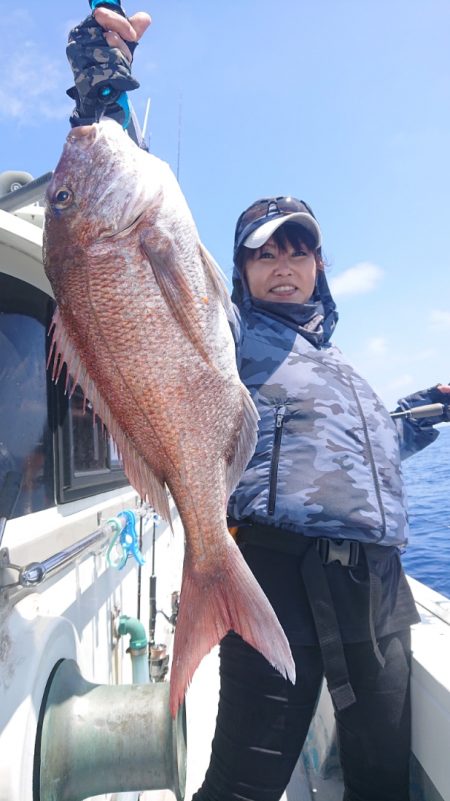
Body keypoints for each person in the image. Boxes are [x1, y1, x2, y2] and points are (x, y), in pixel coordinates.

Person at [66, 8, 450, 801]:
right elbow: (134, 286)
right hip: (271, 566)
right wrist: (99, 88)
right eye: (262, 252)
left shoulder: (340, 365)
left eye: (296, 247)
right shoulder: (232, 331)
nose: (282, 264)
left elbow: (362, 446)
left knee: (382, 780)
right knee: (244, 779)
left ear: (318, 262)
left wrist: (430, 406)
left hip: (378, 588)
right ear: (234, 271)